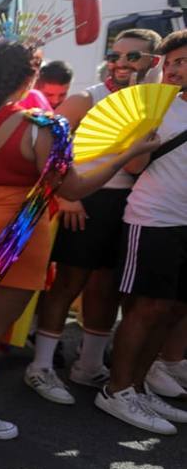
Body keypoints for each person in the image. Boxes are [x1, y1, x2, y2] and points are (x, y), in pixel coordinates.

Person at [0, 43, 155, 439]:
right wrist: (125, 154)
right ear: (31, 77)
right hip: (11, 243)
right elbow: (73, 187)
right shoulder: (39, 127)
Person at [28, 29, 162, 404]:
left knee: (107, 288)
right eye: (114, 55)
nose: (120, 63)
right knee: (68, 283)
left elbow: (137, 165)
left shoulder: (158, 102)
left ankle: (88, 365)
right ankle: (40, 366)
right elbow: (45, 145)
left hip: (131, 204)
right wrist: (64, 195)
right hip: (86, 200)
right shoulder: (87, 98)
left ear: (153, 61)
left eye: (132, 56)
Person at [96, 30, 187, 433]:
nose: (175, 69)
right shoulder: (154, 107)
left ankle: (138, 386)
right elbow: (132, 167)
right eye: (171, 62)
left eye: (183, 61)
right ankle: (116, 390)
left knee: (170, 310)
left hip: (183, 223)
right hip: (153, 219)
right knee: (146, 309)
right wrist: (141, 132)